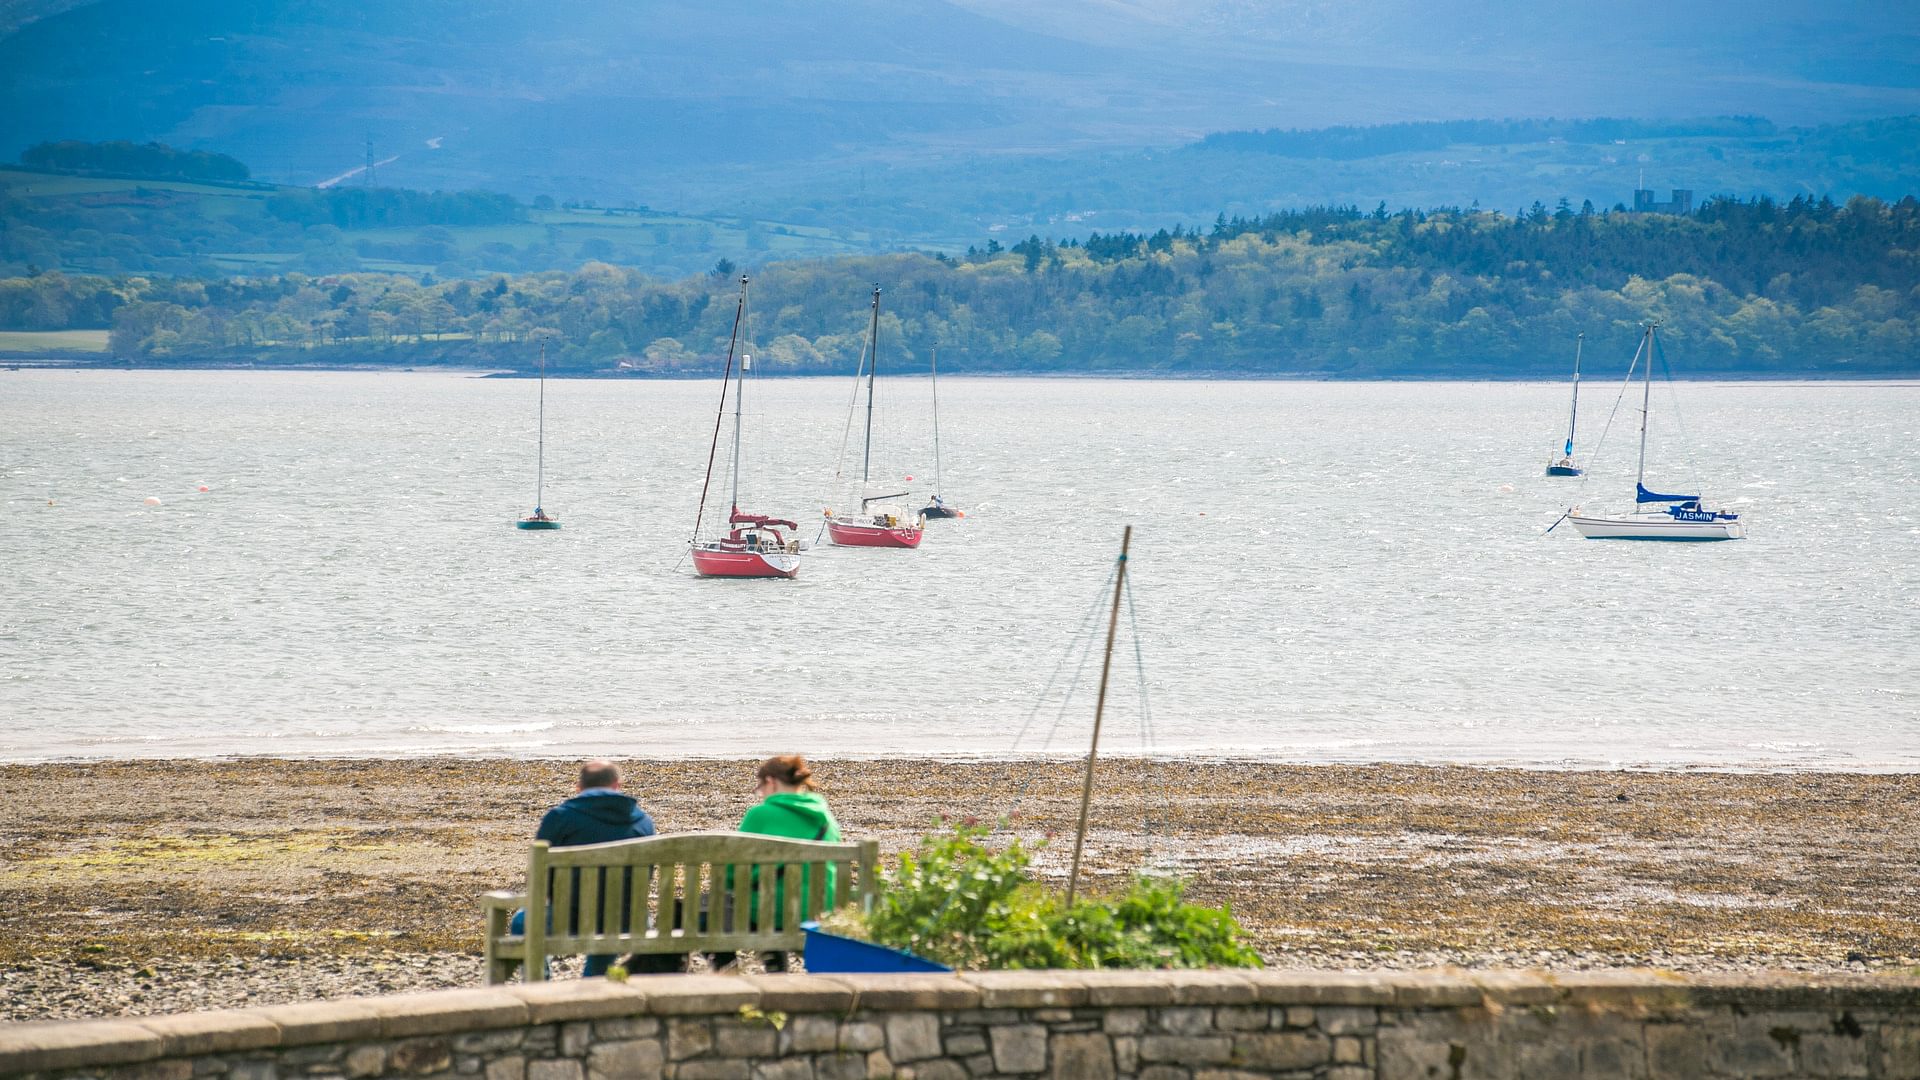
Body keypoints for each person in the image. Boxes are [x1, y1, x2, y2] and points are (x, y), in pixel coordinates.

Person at [510, 759, 657, 978]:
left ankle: (538, 982)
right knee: (612, 918)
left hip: (568, 918)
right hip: (626, 921)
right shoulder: (643, 823)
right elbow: (646, 876)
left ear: (579, 788)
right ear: (617, 785)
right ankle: (593, 985)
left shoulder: (559, 818)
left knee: (522, 921)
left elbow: (539, 879)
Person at [711, 755, 843, 973]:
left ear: (771, 782)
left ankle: (729, 973)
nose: (760, 794)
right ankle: (775, 971)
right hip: (820, 913)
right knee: (771, 901)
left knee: (709, 914)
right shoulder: (826, 817)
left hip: (769, 915)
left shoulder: (760, 815)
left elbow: (730, 873)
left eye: (760, 787)